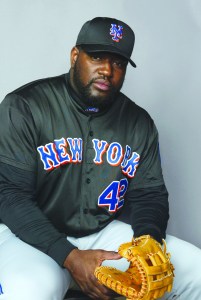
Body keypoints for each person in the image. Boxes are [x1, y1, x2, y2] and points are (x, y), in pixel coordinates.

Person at [0, 16, 200, 300]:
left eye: (118, 63)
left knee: (195, 270)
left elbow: (149, 195)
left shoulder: (138, 122)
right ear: (74, 56)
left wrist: (148, 241)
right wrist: (68, 256)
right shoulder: (25, 106)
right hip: (29, 237)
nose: (107, 70)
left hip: (100, 234)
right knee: (30, 289)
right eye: (97, 57)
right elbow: (9, 196)